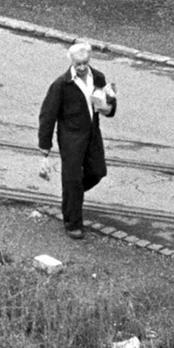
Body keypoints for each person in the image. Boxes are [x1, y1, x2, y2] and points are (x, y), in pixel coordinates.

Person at [37, 41, 117, 240]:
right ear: (71, 62)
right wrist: (45, 150)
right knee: (72, 179)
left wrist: (109, 108)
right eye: (78, 64)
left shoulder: (98, 77)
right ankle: (73, 223)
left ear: (89, 59)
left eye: (85, 63)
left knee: (97, 172)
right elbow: (48, 116)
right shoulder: (61, 84)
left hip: (92, 134)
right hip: (70, 138)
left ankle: (71, 196)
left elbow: (108, 105)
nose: (82, 67)